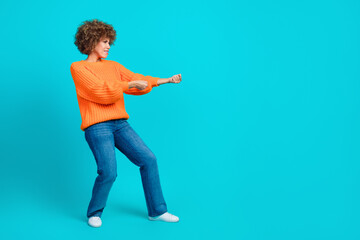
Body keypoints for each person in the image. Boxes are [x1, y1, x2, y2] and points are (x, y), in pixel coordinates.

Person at [70, 19, 181, 228]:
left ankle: (157, 211)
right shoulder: (78, 67)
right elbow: (99, 90)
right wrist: (127, 84)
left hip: (120, 123)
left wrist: (164, 80)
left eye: (109, 42)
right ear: (91, 41)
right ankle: (94, 212)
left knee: (148, 159)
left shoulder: (113, 66)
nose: (108, 46)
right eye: (104, 41)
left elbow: (136, 79)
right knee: (109, 172)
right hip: (97, 126)